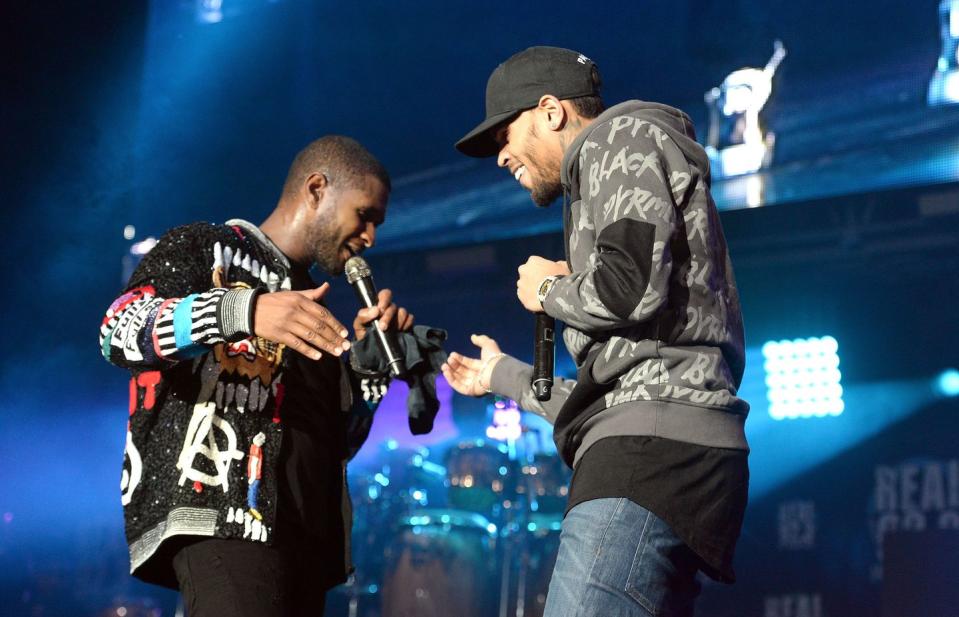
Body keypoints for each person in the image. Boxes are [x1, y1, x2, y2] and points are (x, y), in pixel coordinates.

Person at [443, 46, 750, 617]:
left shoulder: (619, 137)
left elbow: (630, 288)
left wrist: (545, 291)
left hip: (650, 457)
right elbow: (609, 400)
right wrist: (502, 376)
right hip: (657, 448)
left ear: (551, 112)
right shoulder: (601, 174)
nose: (501, 156)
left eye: (504, 135)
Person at [99, 136, 413, 616]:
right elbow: (118, 330)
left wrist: (368, 370)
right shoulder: (207, 247)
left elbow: (334, 443)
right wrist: (241, 310)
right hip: (224, 522)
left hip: (303, 541)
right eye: (365, 215)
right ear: (316, 188)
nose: (370, 237)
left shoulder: (312, 303)